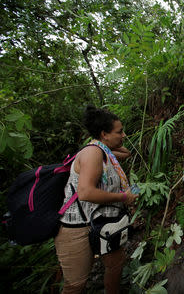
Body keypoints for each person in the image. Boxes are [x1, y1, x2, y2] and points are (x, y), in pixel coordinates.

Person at [54, 106, 138, 294]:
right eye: (119, 131)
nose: (124, 135)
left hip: (104, 224)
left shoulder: (105, 152)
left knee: (115, 266)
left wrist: (113, 140)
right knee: (76, 284)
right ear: (104, 134)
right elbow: (85, 193)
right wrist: (123, 197)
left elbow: (126, 153)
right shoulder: (93, 153)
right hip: (78, 230)